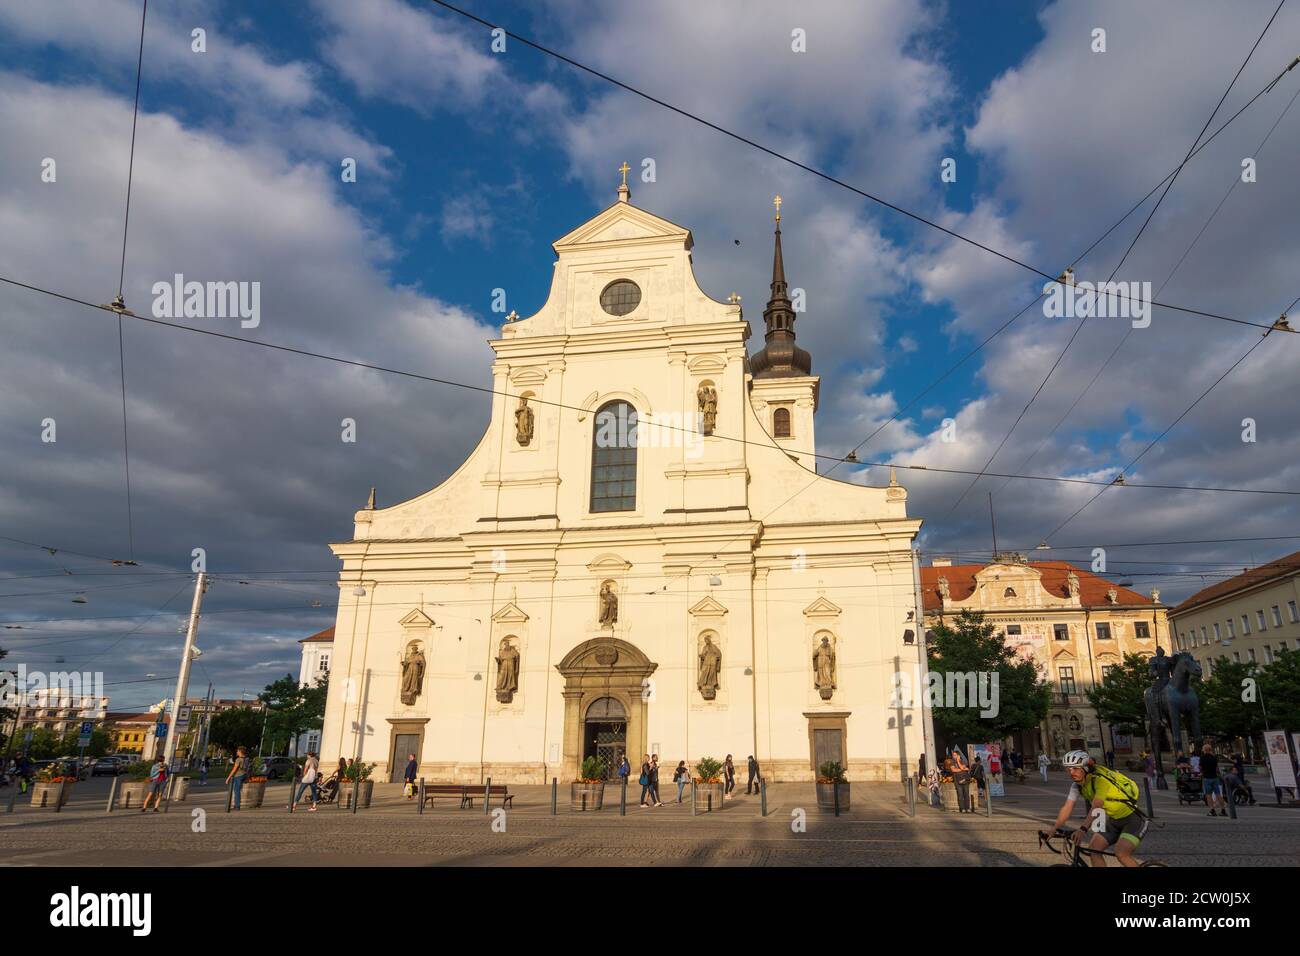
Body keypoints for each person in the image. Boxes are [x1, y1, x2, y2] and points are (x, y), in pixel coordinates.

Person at [1050, 750, 1148, 867]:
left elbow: (1097, 806)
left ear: (1085, 768)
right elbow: (1067, 807)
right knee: (1094, 849)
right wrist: (1054, 828)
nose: (1071, 772)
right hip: (1113, 821)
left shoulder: (1100, 781)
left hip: (1133, 820)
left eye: (1075, 768)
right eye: (1068, 769)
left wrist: (1082, 829)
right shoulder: (1076, 785)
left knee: (1121, 853)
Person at [1200, 743, 1225, 816]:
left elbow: (1201, 768)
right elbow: (1217, 768)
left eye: (1203, 749)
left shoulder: (1203, 757)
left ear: (1205, 750)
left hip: (1207, 778)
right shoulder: (1214, 757)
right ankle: (1223, 810)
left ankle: (1212, 810)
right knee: (1218, 794)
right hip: (1215, 777)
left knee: (1209, 795)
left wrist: (1201, 773)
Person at [226, 746, 251, 810]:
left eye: (237, 751)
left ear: (240, 752)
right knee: (238, 790)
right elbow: (248, 768)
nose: (237, 752)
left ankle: (237, 806)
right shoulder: (246, 759)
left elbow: (234, 769)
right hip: (244, 775)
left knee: (237, 791)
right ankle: (236, 804)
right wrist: (247, 776)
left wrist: (228, 778)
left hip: (238, 776)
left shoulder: (238, 759)